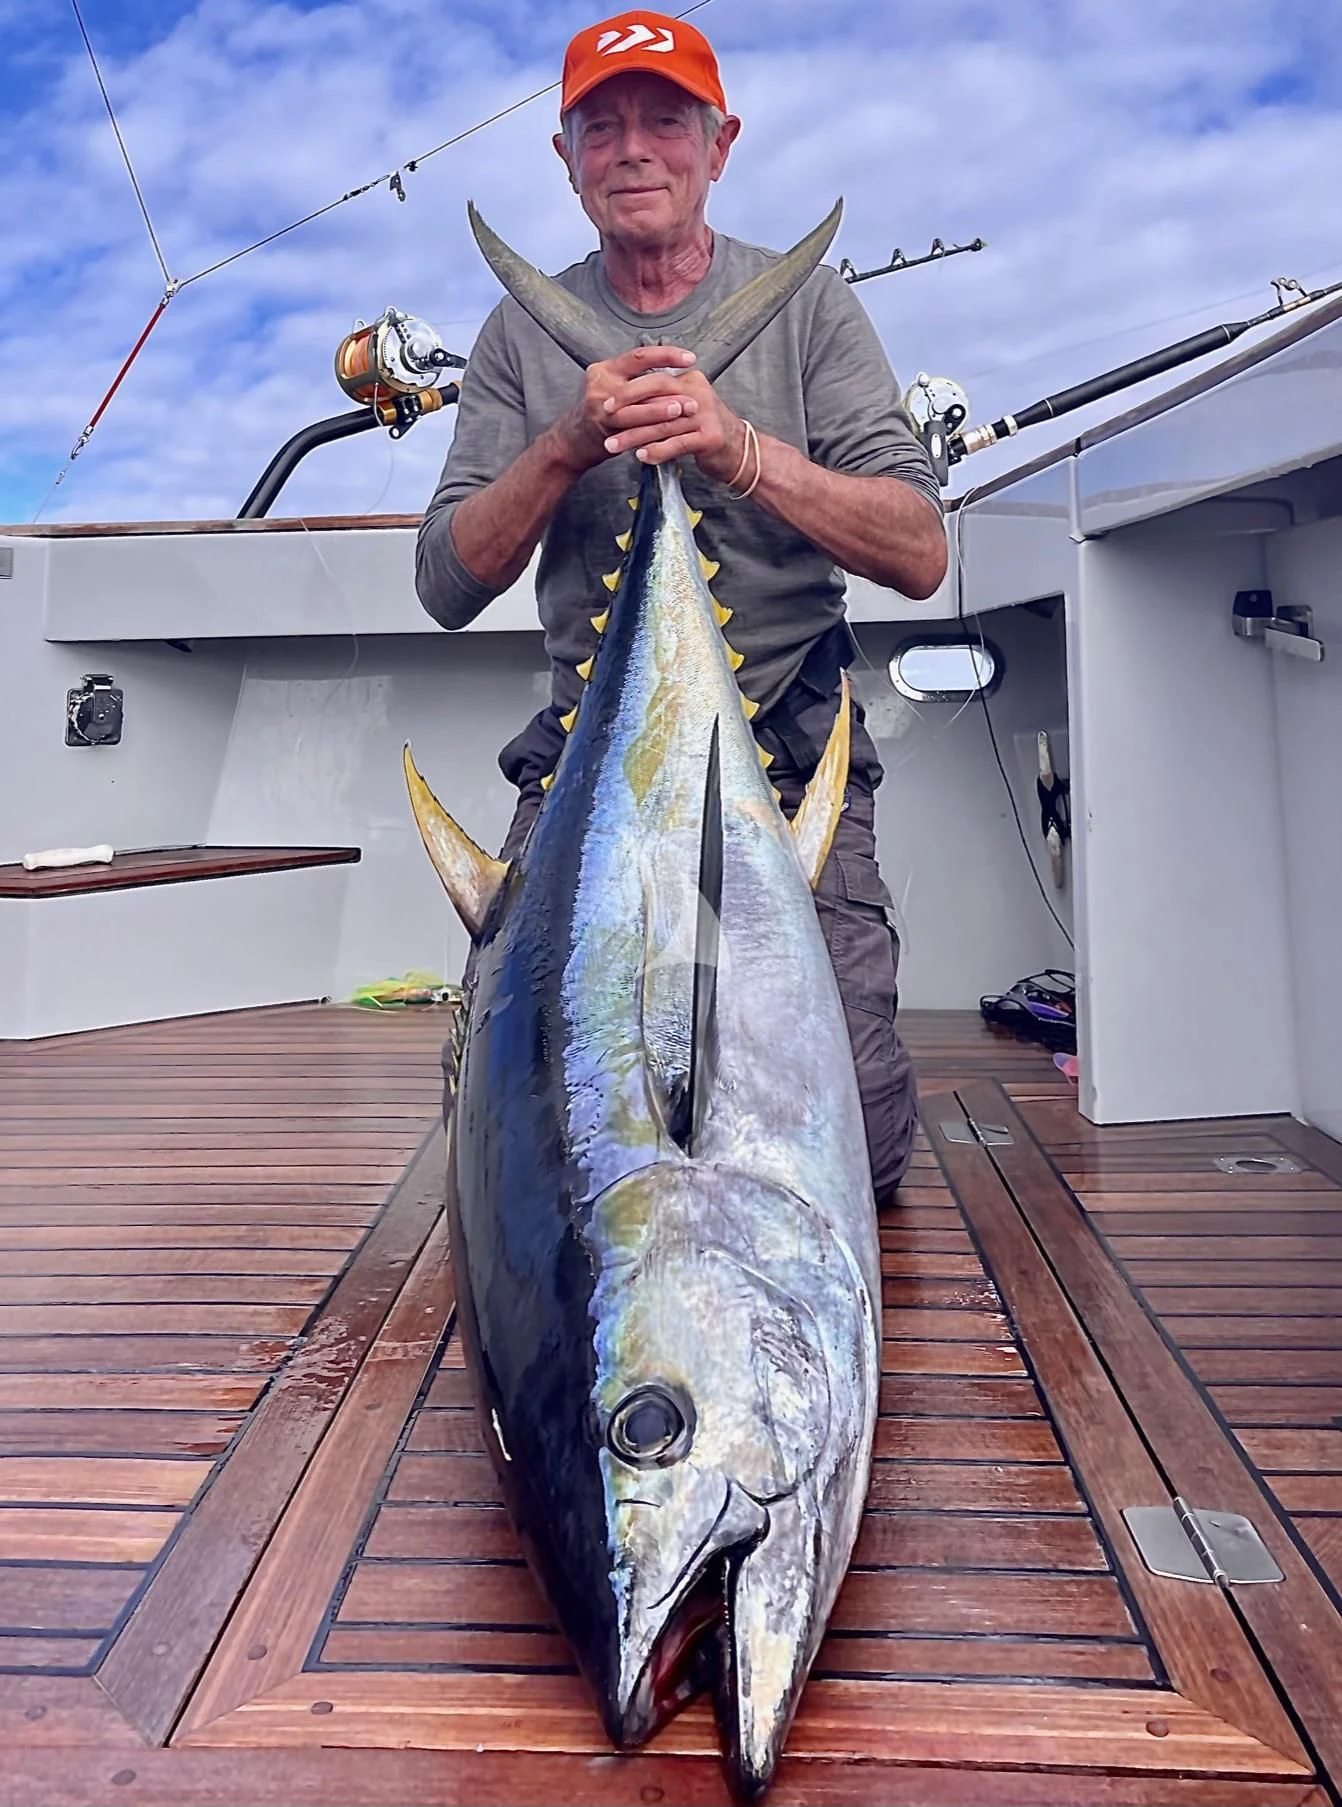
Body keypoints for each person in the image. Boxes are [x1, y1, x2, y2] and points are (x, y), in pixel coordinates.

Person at [416, 10, 948, 1199]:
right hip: (588, 768)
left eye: (666, 120)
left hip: (786, 748)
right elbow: (446, 582)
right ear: (564, 158)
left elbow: (919, 552)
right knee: (518, 1145)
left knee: (856, 1141)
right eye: (600, 126)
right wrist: (566, 441)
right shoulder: (519, 333)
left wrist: (736, 449)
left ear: (721, 142)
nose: (633, 149)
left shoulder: (808, 307)